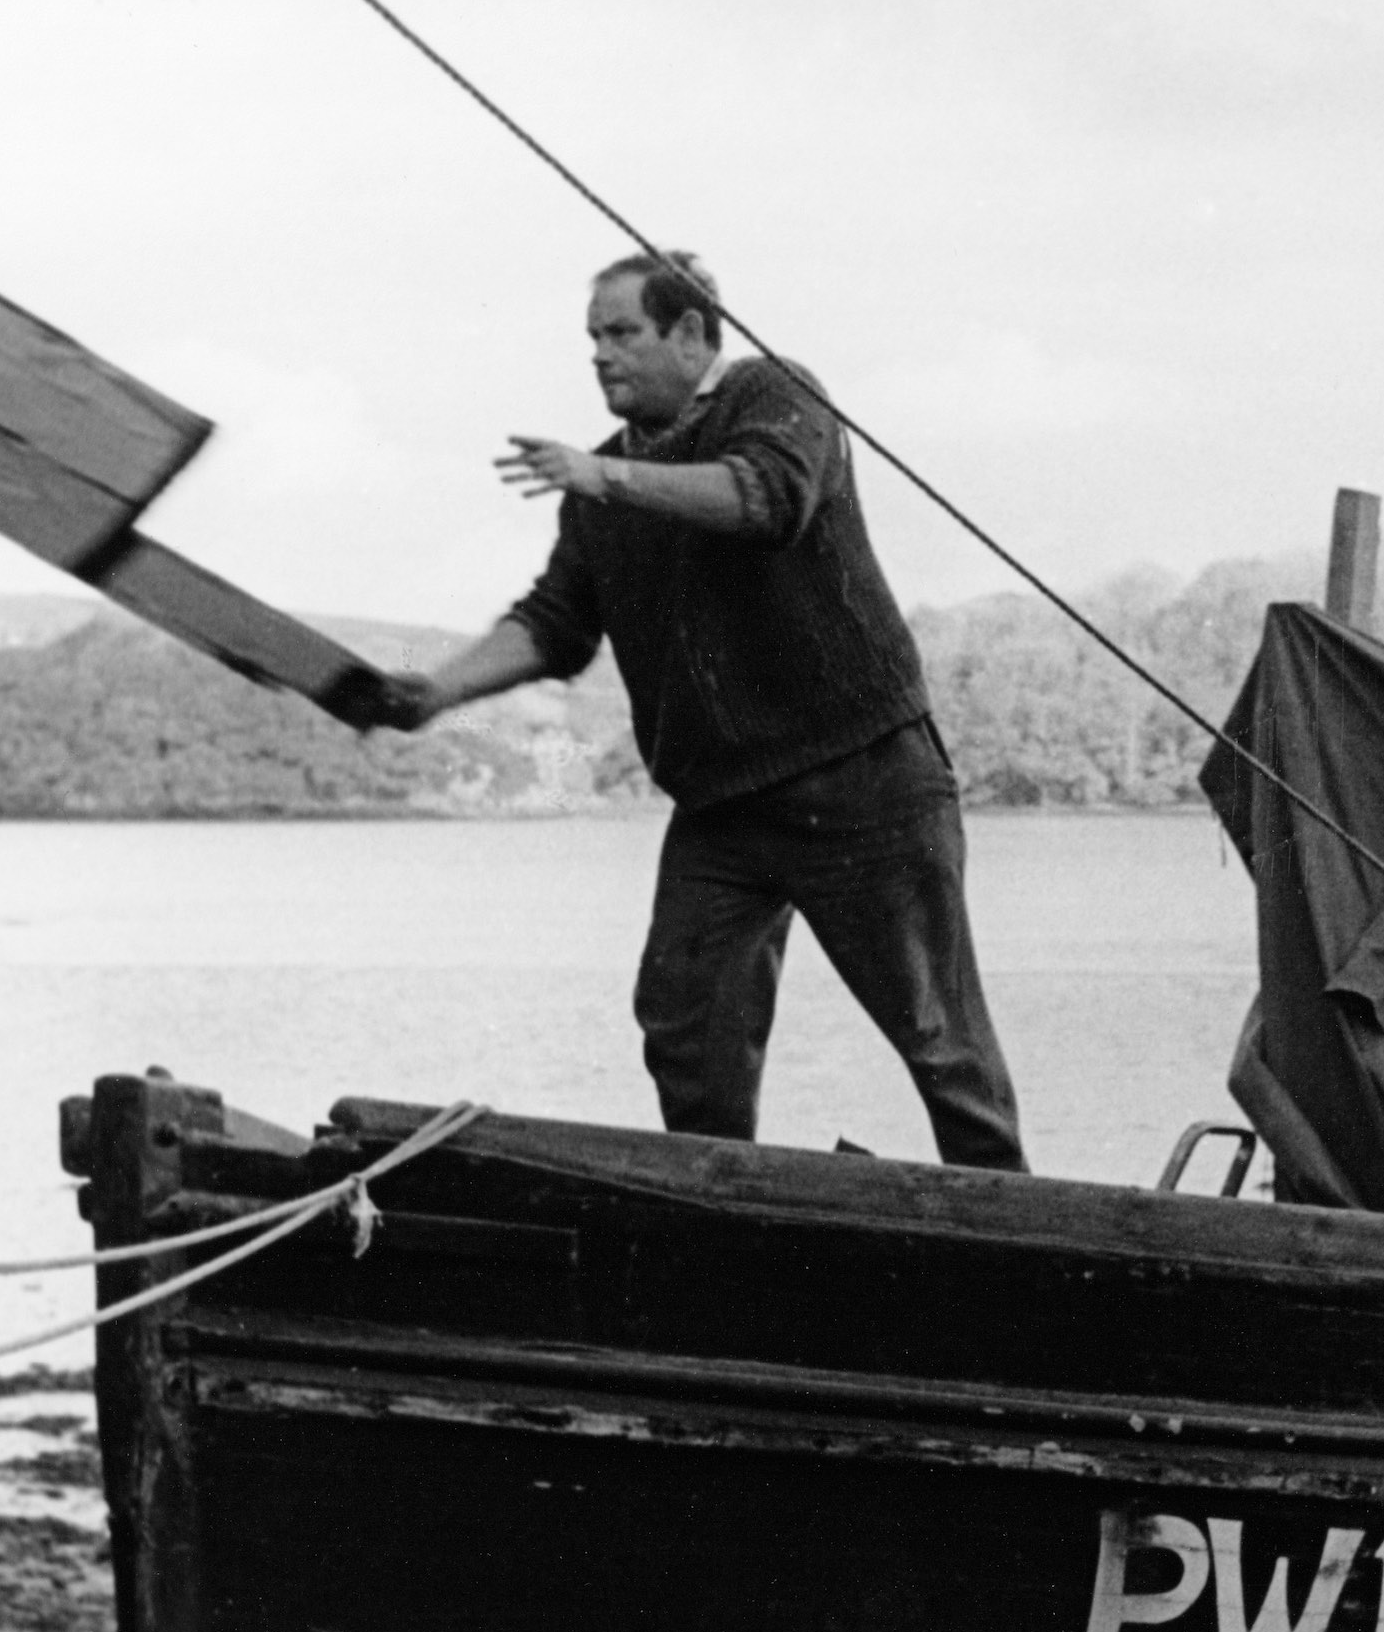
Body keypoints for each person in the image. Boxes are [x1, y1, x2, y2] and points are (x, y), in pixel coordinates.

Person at [333, 251, 1026, 1171]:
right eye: (592, 339)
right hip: (722, 809)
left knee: (937, 1036)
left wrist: (605, 478)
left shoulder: (775, 394)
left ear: (693, 334)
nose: (600, 357)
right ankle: (721, 1224)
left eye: (622, 333)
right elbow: (554, 624)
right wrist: (434, 692)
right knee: (683, 1024)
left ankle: (1009, 1222)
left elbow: (764, 497)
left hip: (861, 780)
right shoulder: (599, 488)